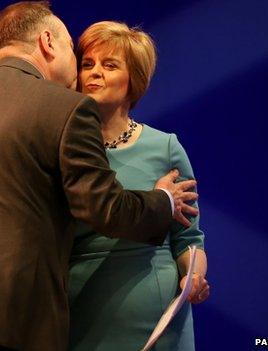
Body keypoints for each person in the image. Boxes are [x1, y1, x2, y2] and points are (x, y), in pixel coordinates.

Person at [0, 2, 198, 350]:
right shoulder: (64, 108)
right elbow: (103, 208)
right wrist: (163, 200)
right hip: (8, 319)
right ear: (48, 42)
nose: (82, 71)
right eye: (73, 51)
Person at [67, 21, 209, 350]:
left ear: (134, 81)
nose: (94, 72)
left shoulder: (165, 148)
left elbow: (189, 238)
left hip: (158, 321)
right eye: (87, 64)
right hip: (81, 313)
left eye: (109, 64)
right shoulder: (62, 150)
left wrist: (194, 276)